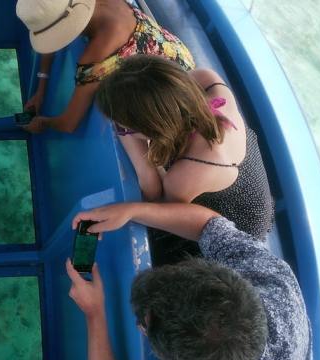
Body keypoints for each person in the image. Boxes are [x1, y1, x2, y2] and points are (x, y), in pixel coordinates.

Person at [66, 202, 311, 360]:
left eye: (144, 326)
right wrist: (132, 211)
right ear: (226, 276)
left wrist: (94, 313)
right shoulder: (275, 283)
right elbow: (209, 226)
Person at [96, 55, 274, 240]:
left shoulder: (185, 176)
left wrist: (145, 169)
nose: (121, 130)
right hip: (231, 164)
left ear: (154, 130)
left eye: (124, 128)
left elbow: (157, 200)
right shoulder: (206, 80)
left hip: (237, 219)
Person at [15, 0, 194, 134]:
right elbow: (54, 30)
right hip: (180, 57)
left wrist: (43, 123)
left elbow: (68, 123)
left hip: (169, 101)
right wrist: (41, 89)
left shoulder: (93, 59)